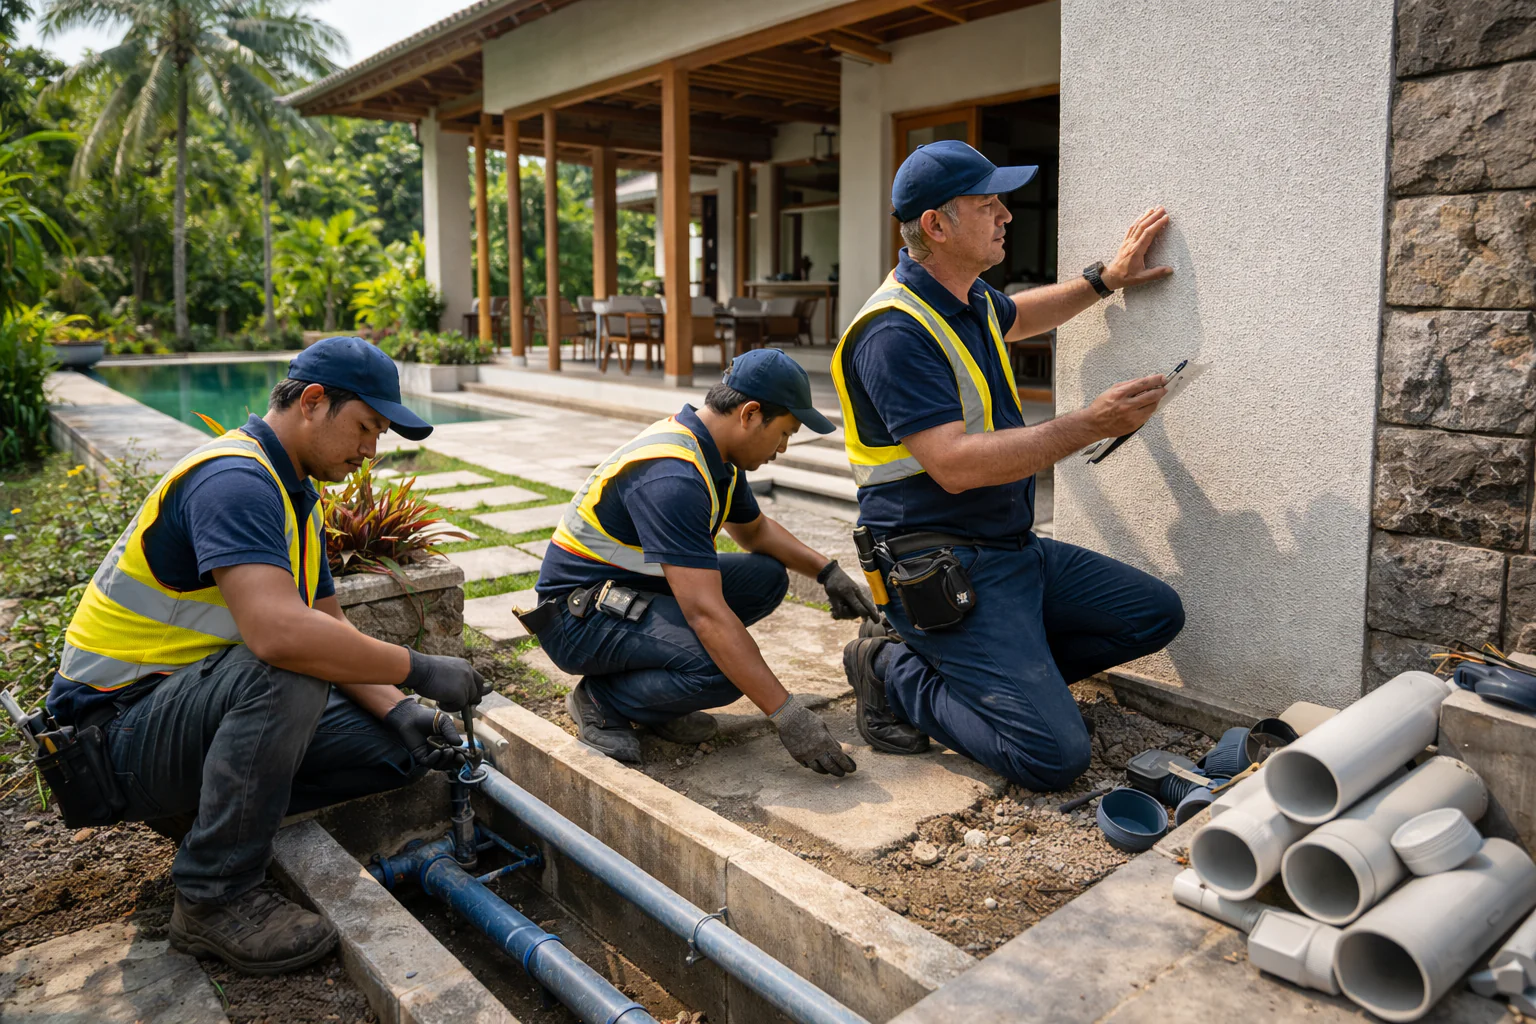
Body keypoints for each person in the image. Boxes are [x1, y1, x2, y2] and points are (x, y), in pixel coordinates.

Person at [47, 336, 491, 975]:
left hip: (176, 715)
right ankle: (213, 895)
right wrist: (421, 669)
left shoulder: (295, 499)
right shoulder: (235, 481)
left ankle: (216, 815)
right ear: (313, 402)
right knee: (285, 666)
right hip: (111, 738)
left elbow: (329, 626)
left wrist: (403, 713)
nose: (371, 452)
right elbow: (281, 636)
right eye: (367, 428)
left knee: (396, 754)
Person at [833, 140, 1185, 791]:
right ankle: (891, 669)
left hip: (1008, 548)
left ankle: (1002, 680)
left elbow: (1019, 314)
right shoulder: (893, 334)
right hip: (941, 563)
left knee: (1155, 613)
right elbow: (955, 467)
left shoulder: (966, 299)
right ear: (936, 225)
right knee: (1053, 758)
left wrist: (1104, 279)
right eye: (987, 204)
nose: (1007, 215)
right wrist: (1089, 424)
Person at [519, 348, 876, 775]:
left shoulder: (715, 453)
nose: (782, 448)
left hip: (625, 590)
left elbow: (755, 532)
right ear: (749, 414)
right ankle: (601, 699)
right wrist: (788, 715)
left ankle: (659, 691)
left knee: (765, 577)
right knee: (720, 672)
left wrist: (827, 571)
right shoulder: (674, 476)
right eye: (785, 432)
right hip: (576, 619)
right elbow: (705, 615)